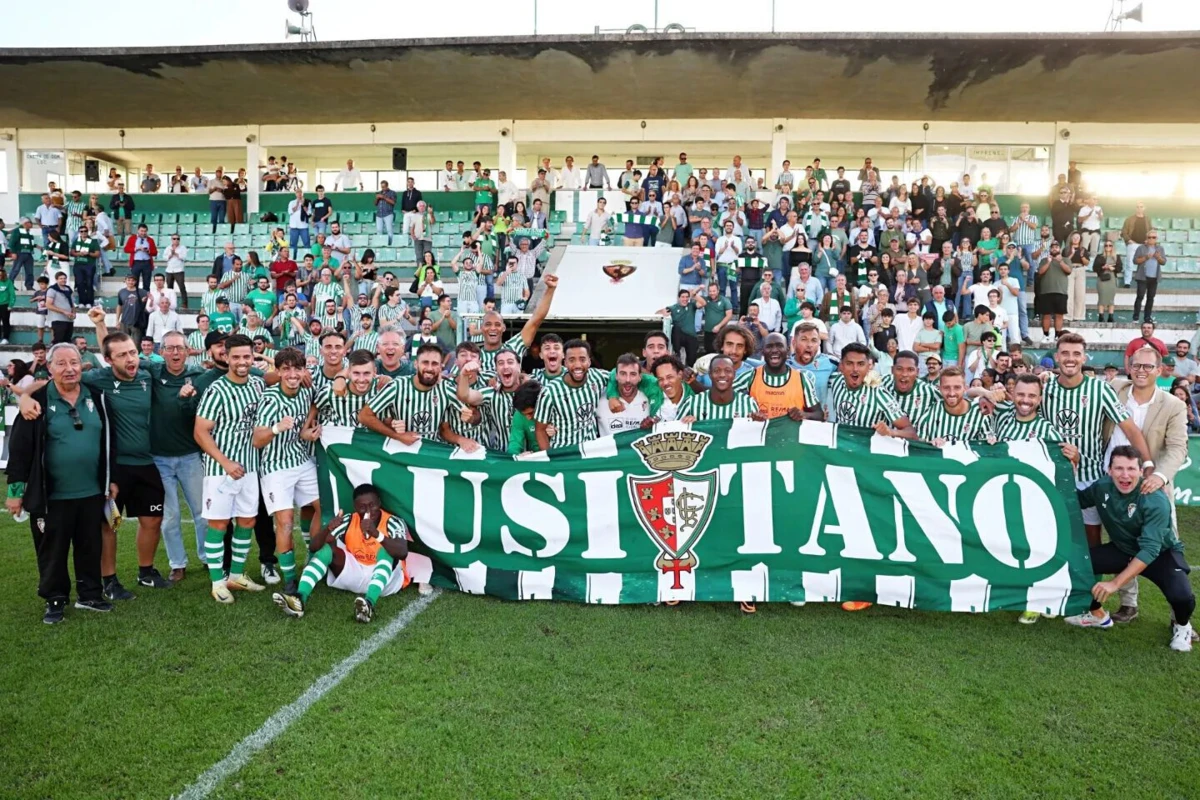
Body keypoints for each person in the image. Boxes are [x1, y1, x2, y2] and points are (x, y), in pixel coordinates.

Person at [6, 343, 118, 624]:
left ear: (83, 365)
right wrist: (15, 493)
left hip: (92, 491)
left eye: (75, 363)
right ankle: (55, 599)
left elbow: (109, 443)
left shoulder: (98, 398)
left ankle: (90, 595)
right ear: (50, 368)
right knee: (51, 549)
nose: (69, 369)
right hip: (51, 494)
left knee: (89, 546)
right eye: (62, 363)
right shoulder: (38, 402)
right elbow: (19, 450)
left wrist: (110, 479)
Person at [1064, 447, 1194, 652]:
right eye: (1119, 468)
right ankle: (1096, 614)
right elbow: (1077, 501)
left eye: (1131, 469)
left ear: (1142, 472)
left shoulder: (1156, 500)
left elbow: (1150, 549)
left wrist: (1115, 583)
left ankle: (1182, 626)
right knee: (1075, 564)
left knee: (1182, 597)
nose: (1125, 475)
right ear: (1109, 470)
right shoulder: (1102, 487)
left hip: (1160, 554)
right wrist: (1068, 473)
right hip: (1124, 549)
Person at [1103, 345, 1190, 625]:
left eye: (1148, 367)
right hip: (1113, 482)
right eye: (1137, 365)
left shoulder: (1174, 405)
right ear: (1129, 367)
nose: (1141, 371)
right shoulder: (1113, 388)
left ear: (1161, 370)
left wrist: (1159, 477)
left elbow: (1178, 448)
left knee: (1167, 547)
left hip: (1152, 486)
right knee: (1121, 542)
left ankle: (1180, 616)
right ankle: (1128, 604)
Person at [1042, 333, 1153, 550]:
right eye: (1065, 353)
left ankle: (1092, 583)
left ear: (1084, 358)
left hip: (1089, 478)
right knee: (1050, 535)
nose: (1070, 358)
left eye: (1076, 354)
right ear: (1057, 357)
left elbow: (1130, 430)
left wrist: (1147, 465)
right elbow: (1018, 404)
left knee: (1091, 540)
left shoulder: (1100, 390)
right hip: (1052, 476)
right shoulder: (1045, 389)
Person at [193, 334, 268, 604]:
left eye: (246, 356)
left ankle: (236, 575)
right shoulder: (217, 390)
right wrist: (225, 462)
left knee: (247, 520)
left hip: (250, 468)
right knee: (219, 524)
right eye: (235, 357)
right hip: (220, 470)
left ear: (253, 357)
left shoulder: (258, 386)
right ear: (226, 357)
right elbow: (200, 432)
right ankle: (217, 581)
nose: (241, 362)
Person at [273, 483, 410, 623]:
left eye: (372, 505)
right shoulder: (350, 519)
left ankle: (368, 603)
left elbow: (402, 552)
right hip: (356, 573)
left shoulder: (393, 521)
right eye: (362, 507)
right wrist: (328, 529)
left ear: (379, 502)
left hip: (387, 582)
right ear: (355, 507)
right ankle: (299, 598)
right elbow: (314, 547)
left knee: (386, 552)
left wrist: (376, 534)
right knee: (327, 549)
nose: (369, 510)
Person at [253, 348, 322, 595]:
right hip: (275, 467)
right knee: (285, 522)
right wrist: (276, 428)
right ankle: (291, 579)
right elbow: (257, 440)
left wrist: (304, 428)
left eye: (297, 369)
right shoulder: (271, 398)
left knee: (324, 507)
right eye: (286, 369)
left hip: (302, 460)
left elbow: (316, 402)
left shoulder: (307, 391)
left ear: (303, 371)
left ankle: (314, 561)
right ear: (279, 372)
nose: (292, 374)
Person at [747, 333, 821, 421]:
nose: (774, 350)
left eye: (779, 346)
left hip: (790, 434)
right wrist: (751, 414)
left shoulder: (802, 379)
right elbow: (730, 403)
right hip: (760, 434)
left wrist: (803, 414)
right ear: (763, 351)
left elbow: (819, 414)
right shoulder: (750, 377)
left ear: (787, 350)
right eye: (769, 346)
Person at [1132, 229, 1165, 323]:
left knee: (1150, 298)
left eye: (1153, 237)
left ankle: (1147, 318)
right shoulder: (1141, 248)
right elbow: (1135, 261)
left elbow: (1164, 262)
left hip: (1154, 277)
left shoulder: (1160, 249)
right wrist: (1146, 257)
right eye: (1149, 237)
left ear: (1156, 239)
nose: (1151, 239)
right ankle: (1136, 317)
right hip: (1142, 276)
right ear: (1146, 238)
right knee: (1140, 297)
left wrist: (1158, 257)